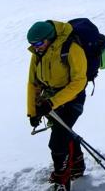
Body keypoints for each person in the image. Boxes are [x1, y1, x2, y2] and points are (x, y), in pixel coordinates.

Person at [26, 21, 87, 190]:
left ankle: (62, 180)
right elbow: (33, 83)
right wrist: (32, 112)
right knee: (63, 132)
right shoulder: (37, 53)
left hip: (73, 98)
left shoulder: (71, 48)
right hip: (50, 100)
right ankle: (77, 165)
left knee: (58, 142)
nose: (35, 47)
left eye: (38, 43)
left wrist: (52, 102)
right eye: (32, 44)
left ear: (50, 38)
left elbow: (79, 82)